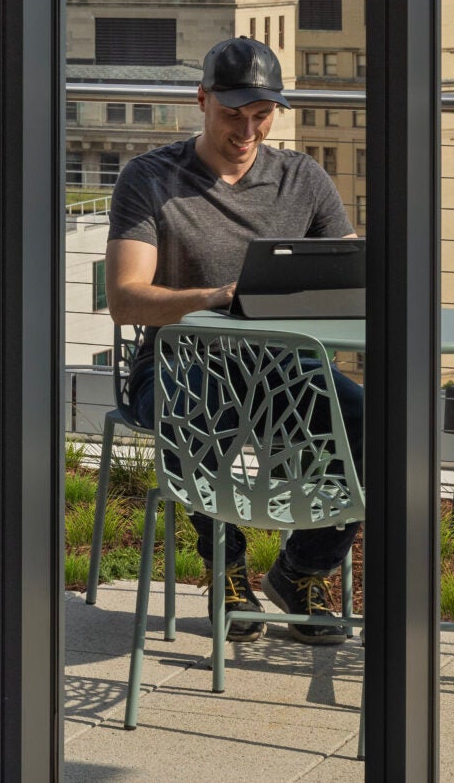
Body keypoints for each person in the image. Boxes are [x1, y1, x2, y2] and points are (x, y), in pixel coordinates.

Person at [105, 35, 363, 644]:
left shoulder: (302, 178)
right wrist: (216, 296)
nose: (247, 131)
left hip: (285, 369)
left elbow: (349, 270)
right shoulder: (150, 179)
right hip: (177, 363)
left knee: (375, 423)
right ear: (202, 100)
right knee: (197, 409)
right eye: (232, 115)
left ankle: (300, 570)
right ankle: (226, 567)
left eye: (261, 115)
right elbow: (124, 299)